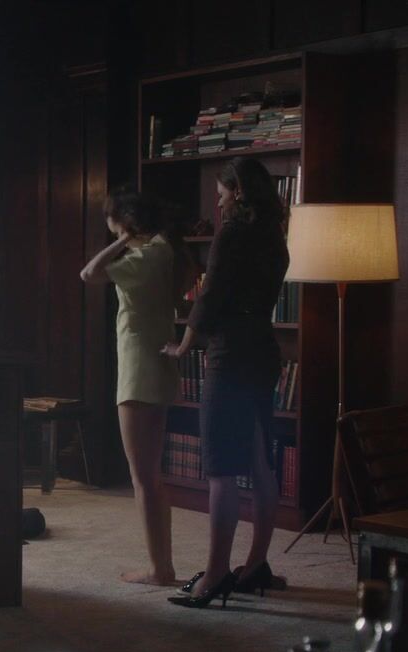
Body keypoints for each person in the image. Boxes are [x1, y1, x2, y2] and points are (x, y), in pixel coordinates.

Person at [161, 156, 289, 609]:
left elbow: (211, 293)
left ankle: (215, 575)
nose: (218, 203)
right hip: (263, 350)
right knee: (259, 460)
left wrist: (183, 345)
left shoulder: (232, 233)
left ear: (238, 191)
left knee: (220, 468)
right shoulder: (274, 237)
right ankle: (255, 566)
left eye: (221, 193)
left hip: (230, 354)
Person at [80, 189, 194, 586]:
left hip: (138, 369)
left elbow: (89, 273)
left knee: (142, 477)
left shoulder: (144, 257)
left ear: (125, 222)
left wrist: (123, 240)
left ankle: (159, 568)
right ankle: (163, 564)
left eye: (112, 225)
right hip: (158, 366)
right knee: (152, 475)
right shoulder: (166, 251)